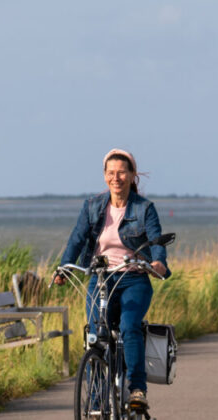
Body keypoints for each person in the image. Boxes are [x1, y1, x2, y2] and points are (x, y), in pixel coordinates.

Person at [54, 148, 171, 412]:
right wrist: (64, 268)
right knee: (96, 336)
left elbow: (156, 240)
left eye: (121, 173)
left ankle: (136, 389)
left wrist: (158, 262)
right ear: (105, 176)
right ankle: (95, 404)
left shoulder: (144, 209)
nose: (115, 178)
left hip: (134, 278)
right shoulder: (93, 206)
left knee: (130, 326)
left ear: (132, 176)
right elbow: (77, 239)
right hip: (101, 279)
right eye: (110, 173)